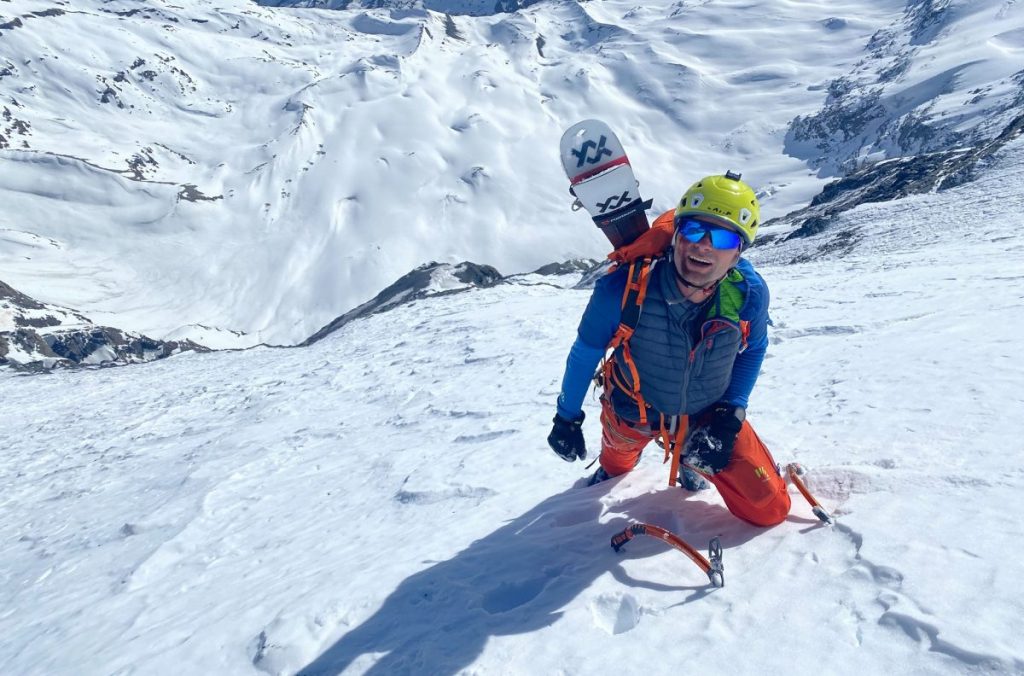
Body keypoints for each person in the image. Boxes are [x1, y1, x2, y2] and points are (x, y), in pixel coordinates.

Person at [546, 172, 790, 527]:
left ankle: (690, 458)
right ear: (676, 235)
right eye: (693, 230)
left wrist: (731, 414)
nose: (703, 245)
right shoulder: (624, 289)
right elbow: (586, 351)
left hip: (708, 416)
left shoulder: (747, 293)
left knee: (769, 509)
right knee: (616, 467)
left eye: (721, 236)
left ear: (739, 252)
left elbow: (754, 348)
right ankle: (620, 464)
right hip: (632, 408)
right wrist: (566, 417)